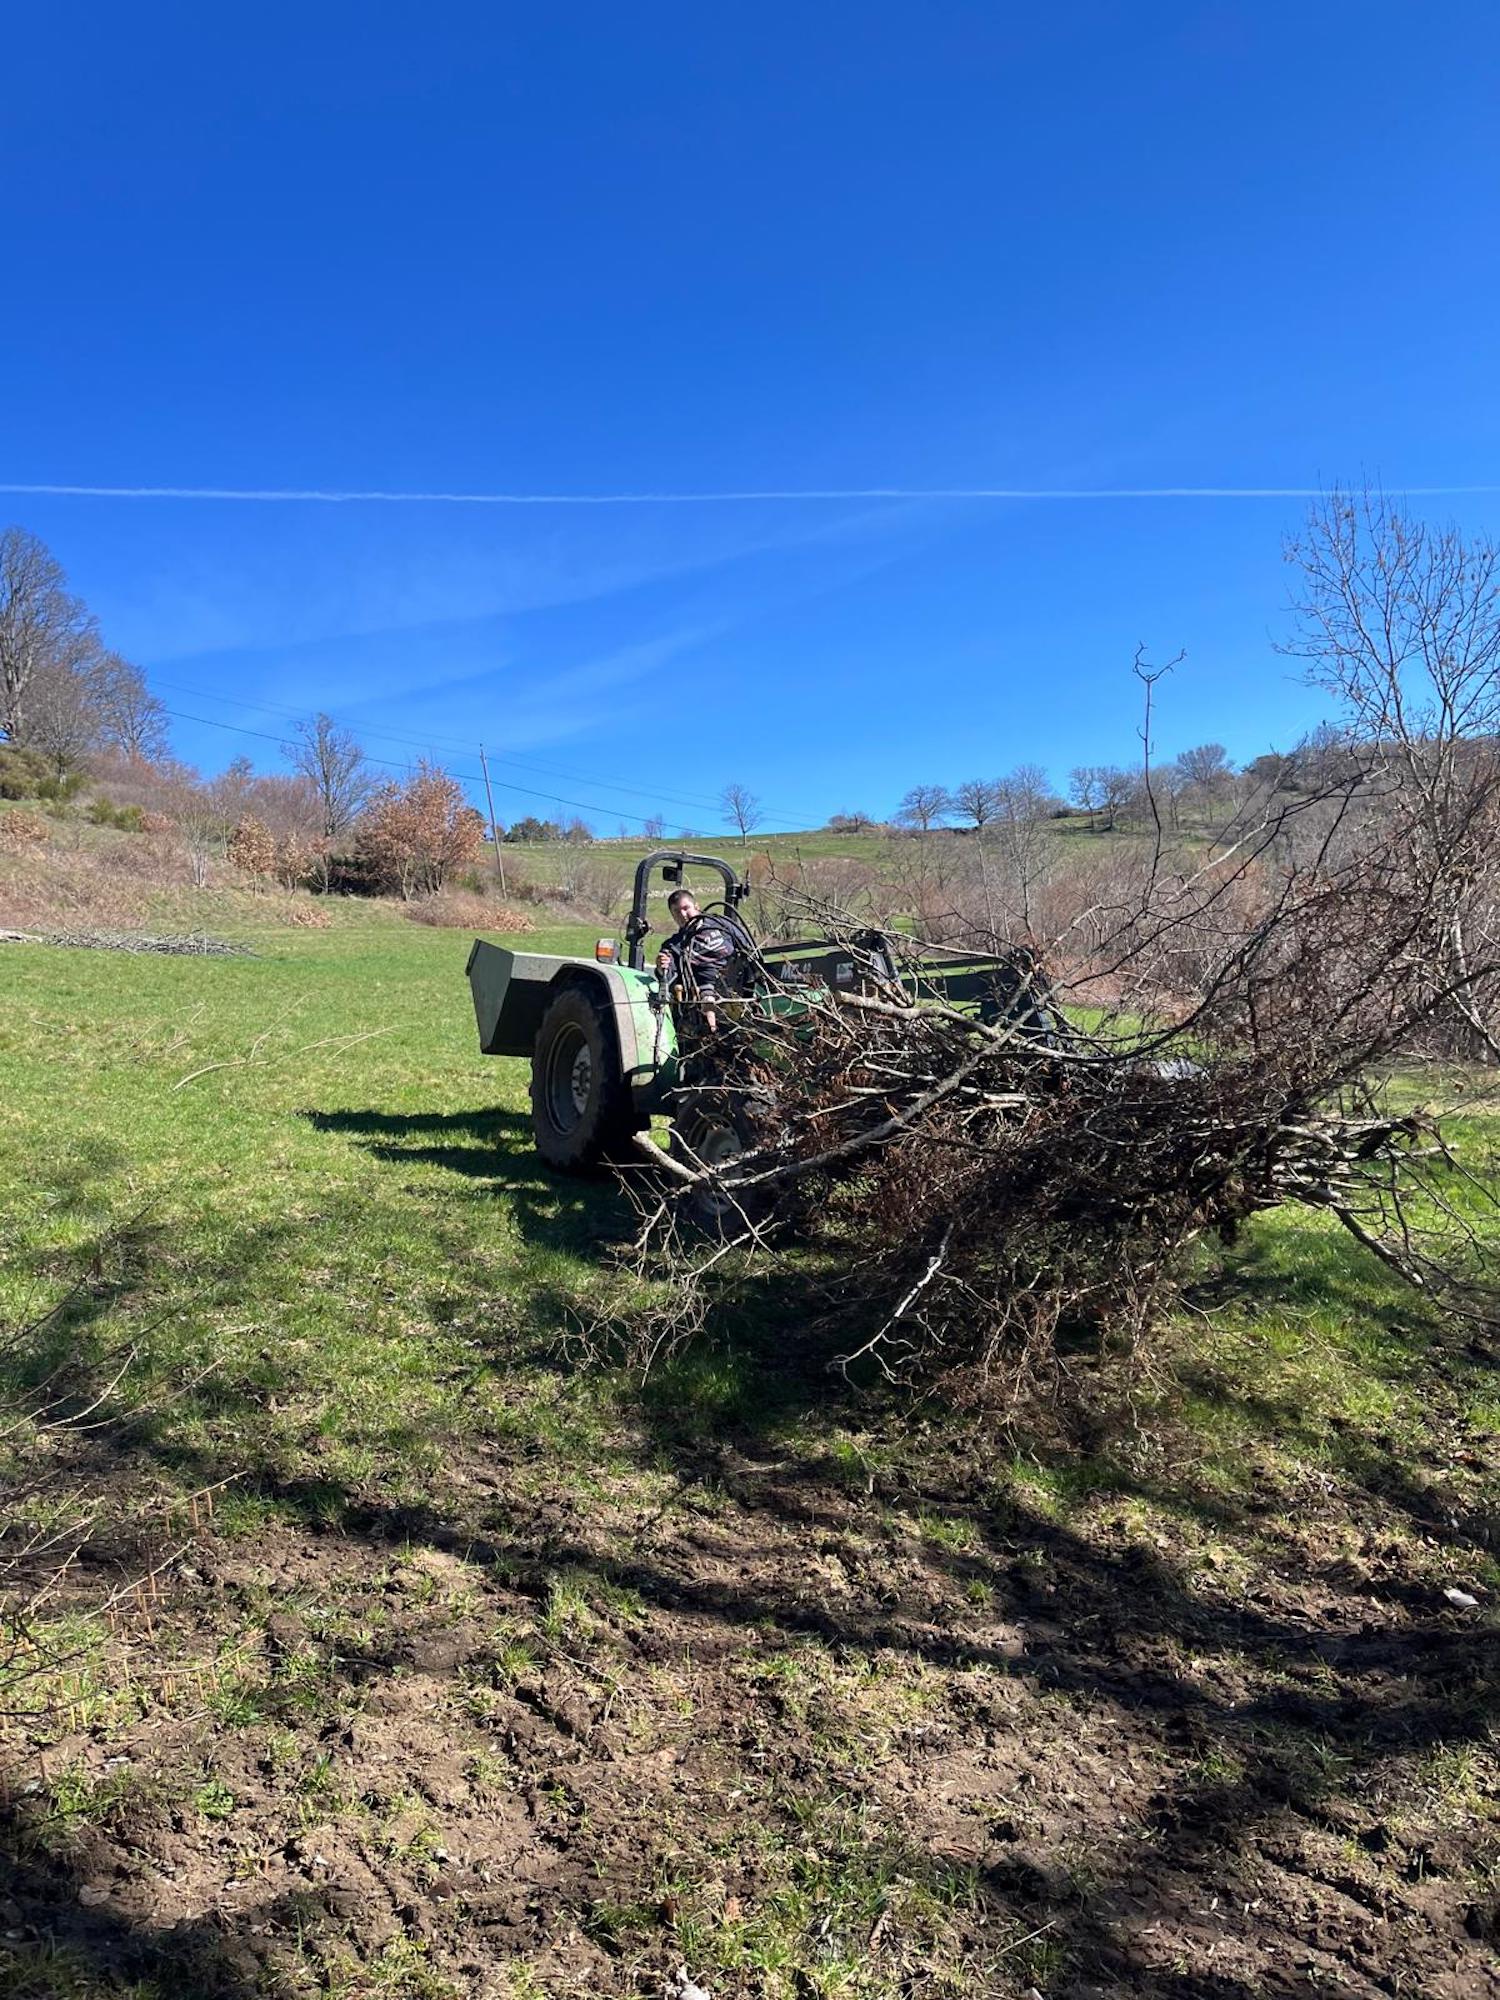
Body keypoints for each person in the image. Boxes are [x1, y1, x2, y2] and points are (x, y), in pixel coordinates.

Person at [655, 888, 747, 1031]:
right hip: (706, 989)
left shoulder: (721, 925)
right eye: (677, 912)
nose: (683, 914)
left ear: (697, 906)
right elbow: (668, 975)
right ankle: (713, 1032)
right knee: (708, 1001)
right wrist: (662, 967)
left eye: (686, 908)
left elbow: (747, 947)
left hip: (740, 980)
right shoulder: (674, 945)